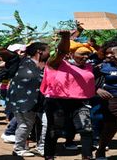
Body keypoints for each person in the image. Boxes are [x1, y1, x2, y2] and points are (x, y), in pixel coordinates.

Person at [40, 31, 95, 160]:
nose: (86, 57)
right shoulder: (57, 62)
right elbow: (61, 51)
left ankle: (87, 157)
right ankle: (49, 156)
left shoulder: (88, 66)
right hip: (57, 102)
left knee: (86, 130)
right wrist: (65, 37)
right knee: (54, 131)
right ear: (71, 54)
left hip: (80, 103)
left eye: (88, 54)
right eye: (82, 54)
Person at [6, 42, 50, 157]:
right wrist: (23, 50)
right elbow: (3, 52)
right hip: (22, 101)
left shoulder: (47, 64)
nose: (49, 52)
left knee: (47, 123)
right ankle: (18, 149)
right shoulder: (22, 61)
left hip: (42, 100)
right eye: (48, 50)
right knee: (25, 125)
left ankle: (41, 147)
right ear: (39, 51)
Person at [94, 38, 117, 159]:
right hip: (112, 100)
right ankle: (100, 150)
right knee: (111, 127)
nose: (109, 55)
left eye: (113, 52)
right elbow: (85, 81)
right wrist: (97, 89)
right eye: (107, 53)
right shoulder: (103, 67)